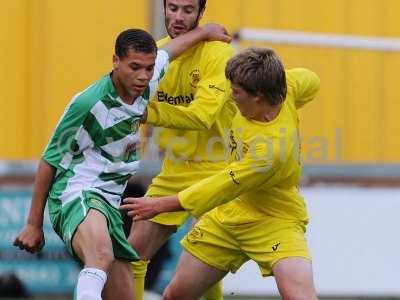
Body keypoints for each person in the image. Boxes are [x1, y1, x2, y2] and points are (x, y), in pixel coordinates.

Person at [13, 25, 231, 300]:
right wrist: (34, 224)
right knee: (100, 254)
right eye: (135, 67)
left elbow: (169, 51)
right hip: (77, 192)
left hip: (110, 201)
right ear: (115, 61)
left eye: (148, 69)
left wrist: (203, 32)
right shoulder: (89, 103)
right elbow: (49, 160)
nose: (143, 76)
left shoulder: (148, 80)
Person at [122, 47, 321, 299]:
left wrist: (161, 204)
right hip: (229, 217)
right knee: (175, 295)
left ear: (258, 96)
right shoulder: (286, 87)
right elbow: (312, 80)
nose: (231, 96)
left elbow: (224, 184)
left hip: (275, 219)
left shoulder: (270, 151)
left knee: (299, 296)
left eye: (236, 92)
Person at [128, 1, 236, 299]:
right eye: (173, 8)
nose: (178, 17)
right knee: (130, 255)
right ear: (163, 8)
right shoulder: (159, 55)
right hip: (173, 172)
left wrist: (147, 112)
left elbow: (202, 117)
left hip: (217, 173)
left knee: (202, 262)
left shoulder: (220, 53)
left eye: (188, 10)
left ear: (201, 13)